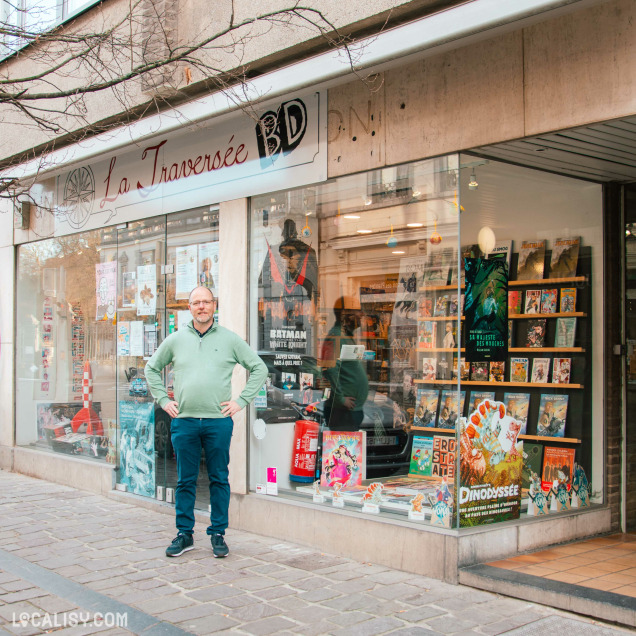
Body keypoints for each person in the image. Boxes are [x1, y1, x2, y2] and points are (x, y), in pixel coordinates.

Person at [145, 286, 267, 558]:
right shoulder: (176, 339)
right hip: (184, 420)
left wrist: (241, 401)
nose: (201, 307)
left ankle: (218, 533)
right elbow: (151, 368)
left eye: (206, 302)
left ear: (214, 306)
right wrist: (164, 401)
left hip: (218, 422)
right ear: (189, 308)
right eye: (196, 302)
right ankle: (184, 534)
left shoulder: (229, 339)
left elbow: (259, 367)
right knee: (185, 480)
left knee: (218, 478)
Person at [321, 296, 369, 431]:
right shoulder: (336, 337)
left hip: (348, 411)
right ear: (344, 314)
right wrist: (341, 400)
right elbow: (329, 370)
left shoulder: (345, 337)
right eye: (358, 310)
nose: (362, 314)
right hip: (342, 412)